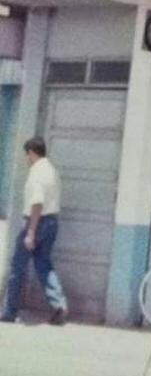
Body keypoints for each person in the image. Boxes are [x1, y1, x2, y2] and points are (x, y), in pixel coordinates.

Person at [2, 138, 67, 325]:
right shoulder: (52, 170)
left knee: (17, 267)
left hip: (36, 222)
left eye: (26, 155)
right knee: (44, 265)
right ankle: (59, 304)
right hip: (52, 222)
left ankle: (9, 311)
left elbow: (37, 203)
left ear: (31, 152)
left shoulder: (37, 172)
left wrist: (31, 232)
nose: (26, 159)